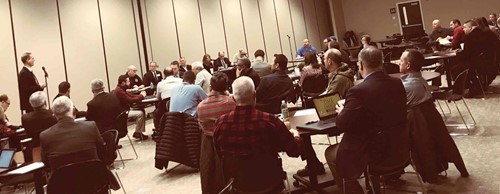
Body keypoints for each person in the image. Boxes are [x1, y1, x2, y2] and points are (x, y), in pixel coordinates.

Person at [324, 47, 407, 193]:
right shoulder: (397, 83)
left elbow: (342, 123)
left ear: (360, 64)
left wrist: (343, 110)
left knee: (331, 154)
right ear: (381, 63)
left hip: (373, 151)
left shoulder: (358, 91)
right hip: (400, 146)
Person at [213, 76, 302, 183]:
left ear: (233, 99)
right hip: (270, 182)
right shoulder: (270, 121)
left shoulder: (221, 124)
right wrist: (295, 134)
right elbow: (294, 151)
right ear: (255, 95)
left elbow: (220, 154)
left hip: (238, 185)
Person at [40, 96, 106, 171]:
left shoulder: (45, 136)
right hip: (93, 178)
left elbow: (46, 164)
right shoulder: (91, 127)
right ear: (74, 111)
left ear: (54, 116)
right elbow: (102, 152)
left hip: (63, 181)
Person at [197, 72, 236, 194]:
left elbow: (201, 126)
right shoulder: (231, 102)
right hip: (229, 145)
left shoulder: (201, 106)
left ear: (210, 87)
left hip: (208, 146)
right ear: (226, 87)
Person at [21, 92, 58, 162]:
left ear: (31, 104)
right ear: (45, 102)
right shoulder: (53, 114)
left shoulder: (25, 118)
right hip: (54, 146)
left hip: (34, 150)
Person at [113, 75, 148, 140]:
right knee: (140, 113)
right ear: (123, 83)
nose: (129, 83)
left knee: (141, 110)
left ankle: (138, 132)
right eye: (128, 82)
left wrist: (140, 95)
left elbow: (131, 96)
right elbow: (130, 100)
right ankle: (138, 132)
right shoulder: (119, 91)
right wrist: (142, 96)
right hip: (122, 112)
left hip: (124, 109)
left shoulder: (121, 89)